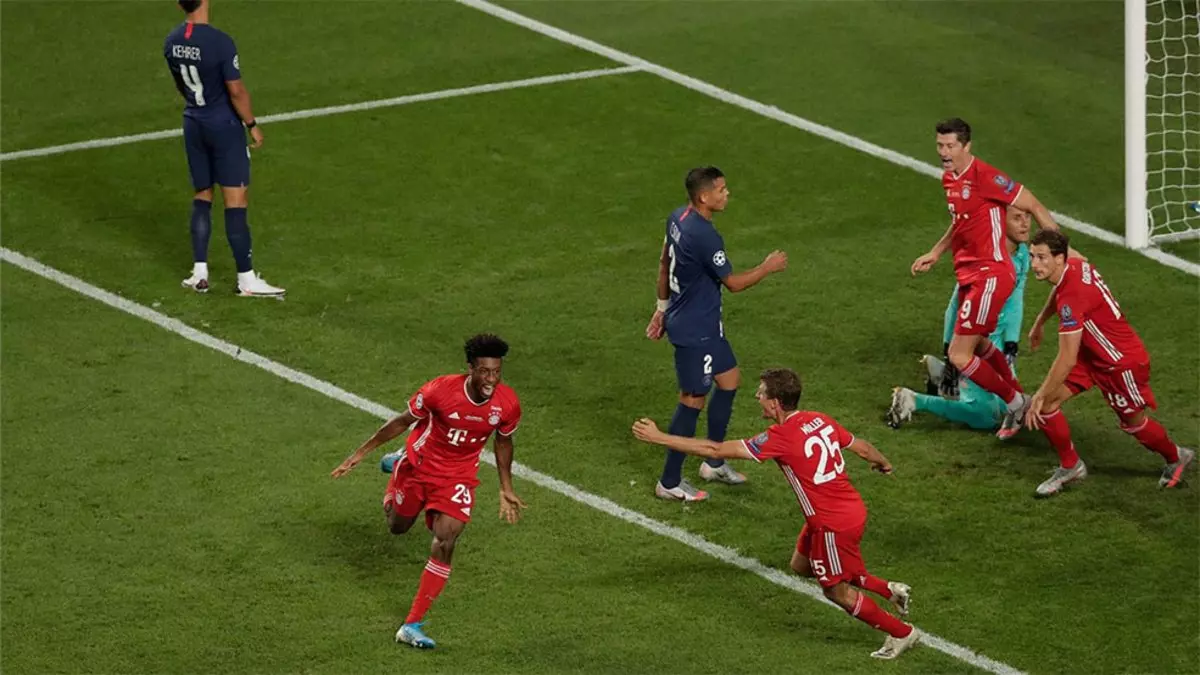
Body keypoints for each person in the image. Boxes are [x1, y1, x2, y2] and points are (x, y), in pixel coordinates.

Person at [632, 368, 920, 660]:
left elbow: (714, 448)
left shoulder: (780, 437)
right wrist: (882, 462)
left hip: (832, 524)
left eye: (761, 393)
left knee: (836, 591)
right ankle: (888, 589)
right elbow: (862, 448)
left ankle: (901, 633)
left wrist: (659, 438)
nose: (757, 397)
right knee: (801, 565)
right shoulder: (819, 419)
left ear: (775, 403)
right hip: (845, 510)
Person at [331, 334, 525, 649]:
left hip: (458, 477)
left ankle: (412, 624)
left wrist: (506, 487)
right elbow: (402, 421)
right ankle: (397, 466)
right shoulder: (441, 390)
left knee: (446, 538)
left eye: (496, 372)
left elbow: (503, 441)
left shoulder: (507, 403)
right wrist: (360, 453)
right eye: (485, 372)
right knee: (397, 526)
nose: (491, 379)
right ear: (471, 369)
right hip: (420, 467)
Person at [910, 118, 1064, 439]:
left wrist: (1060, 252)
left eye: (951, 146)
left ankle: (1015, 403)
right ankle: (1018, 395)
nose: (944, 152)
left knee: (959, 354)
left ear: (967, 146)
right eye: (940, 145)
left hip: (990, 274)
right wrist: (936, 252)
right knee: (975, 345)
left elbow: (1033, 204)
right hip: (971, 275)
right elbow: (961, 223)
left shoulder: (985, 176)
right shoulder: (950, 180)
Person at [643, 166, 788, 501]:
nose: (727, 194)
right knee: (692, 400)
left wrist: (661, 309)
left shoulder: (677, 218)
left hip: (703, 324)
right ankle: (669, 482)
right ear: (704, 196)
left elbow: (665, 263)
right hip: (696, 332)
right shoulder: (705, 235)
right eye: (721, 190)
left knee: (730, 380)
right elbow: (733, 284)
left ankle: (714, 461)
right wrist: (768, 267)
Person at [1023, 230, 1194, 496]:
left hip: (1119, 362)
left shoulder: (1072, 297)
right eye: (1032, 256)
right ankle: (1071, 466)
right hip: (1091, 354)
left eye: (1042, 257)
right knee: (1046, 405)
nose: (1034, 264)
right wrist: (1040, 321)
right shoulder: (1076, 264)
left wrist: (1039, 393)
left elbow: (1066, 358)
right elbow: (1059, 291)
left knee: (1133, 423)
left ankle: (1175, 457)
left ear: (1059, 258)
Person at [164, 0, 284, 297]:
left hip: (194, 121)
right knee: (236, 201)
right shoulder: (220, 42)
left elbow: (182, 84)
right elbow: (236, 90)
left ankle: (199, 273)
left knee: (203, 195)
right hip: (223, 127)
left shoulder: (172, 41)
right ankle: (246, 279)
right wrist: (252, 123)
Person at [888, 206, 1031, 431]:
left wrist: (1011, 343)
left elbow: (1016, 299)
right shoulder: (982, 259)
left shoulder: (1022, 254)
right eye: (1017, 218)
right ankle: (913, 399)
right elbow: (956, 307)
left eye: (1027, 217)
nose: (1025, 224)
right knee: (987, 416)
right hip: (972, 345)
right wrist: (951, 351)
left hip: (997, 344)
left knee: (1010, 406)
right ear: (1000, 223)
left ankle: (942, 376)